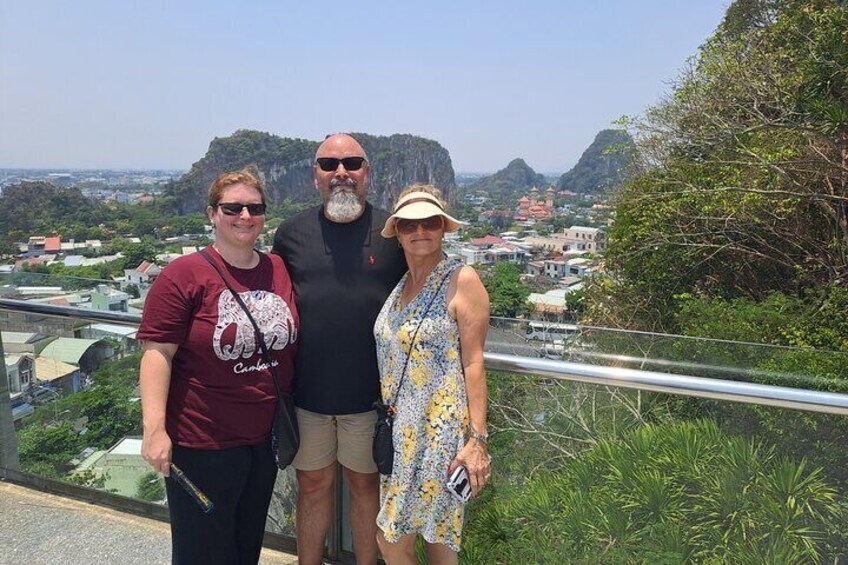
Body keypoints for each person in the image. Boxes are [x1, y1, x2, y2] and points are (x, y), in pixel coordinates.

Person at [138, 168, 299, 564]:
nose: (245, 216)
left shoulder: (278, 268)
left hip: (262, 441)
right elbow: (158, 353)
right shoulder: (184, 275)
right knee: (201, 552)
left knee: (246, 547)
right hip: (201, 442)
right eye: (233, 207)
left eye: (255, 208)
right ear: (212, 213)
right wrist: (154, 430)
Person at [273, 134, 407, 564]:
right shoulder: (290, 234)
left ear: (367, 172)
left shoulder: (393, 233)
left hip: (370, 400)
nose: (341, 173)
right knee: (311, 487)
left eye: (352, 163)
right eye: (330, 164)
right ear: (316, 176)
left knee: (366, 488)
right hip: (308, 398)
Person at [373, 184, 491, 564]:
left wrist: (476, 441)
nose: (419, 231)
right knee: (396, 538)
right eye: (409, 224)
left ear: (443, 227)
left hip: (440, 435)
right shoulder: (400, 286)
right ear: (397, 232)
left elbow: (473, 363)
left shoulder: (462, 279)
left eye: (430, 222)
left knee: (436, 539)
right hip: (399, 437)